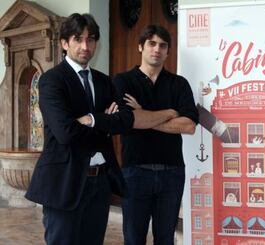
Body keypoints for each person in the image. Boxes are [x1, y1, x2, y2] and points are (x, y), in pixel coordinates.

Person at [25, 13, 137, 245]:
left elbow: (126, 120)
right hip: (64, 182)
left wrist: (91, 120)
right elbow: (65, 132)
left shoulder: (104, 81)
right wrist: (106, 126)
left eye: (91, 39)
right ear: (65, 43)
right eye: (78, 39)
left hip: (100, 183)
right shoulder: (52, 81)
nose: (85, 46)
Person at [113, 24, 199, 245]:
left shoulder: (179, 84)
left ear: (168, 51)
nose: (157, 49)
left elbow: (189, 126)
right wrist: (170, 113)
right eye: (151, 43)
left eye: (162, 45)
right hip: (135, 172)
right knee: (133, 239)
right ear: (140, 47)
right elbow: (127, 121)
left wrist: (142, 116)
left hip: (172, 173)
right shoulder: (123, 81)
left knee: (165, 239)